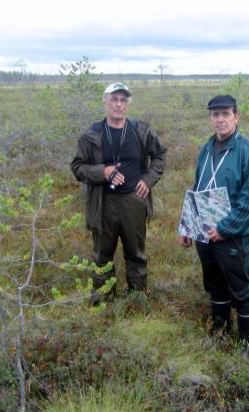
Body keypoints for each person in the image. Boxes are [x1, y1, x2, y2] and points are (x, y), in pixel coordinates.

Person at [178, 94, 249, 347]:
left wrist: (225, 229)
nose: (220, 119)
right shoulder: (206, 149)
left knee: (241, 289)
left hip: (232, 236)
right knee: (214, 283)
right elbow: (198, 187)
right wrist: (188, 224)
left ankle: (247, 344)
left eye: (226, 114)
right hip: (204, 232)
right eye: (215, 114)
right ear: (210, 118)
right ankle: (220, 328)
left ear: (236, 117)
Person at [71, 82, 166, 299]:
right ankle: (104, 300)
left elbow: (160, 155)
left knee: (136, 254)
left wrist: (149, 179)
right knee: (102, 256)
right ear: (105, 102)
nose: (119, 104)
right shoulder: (91, 134)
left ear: (127, 105)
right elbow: (77, 167)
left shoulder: (141, 130)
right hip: (103, 203)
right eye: (114, 99)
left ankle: (137, 298)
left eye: (123, 100)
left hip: (134, 201)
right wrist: (103, 172)